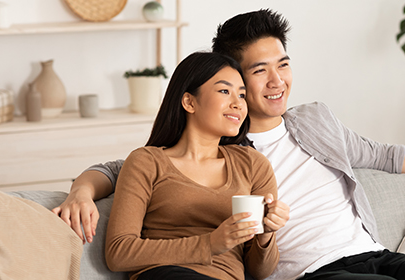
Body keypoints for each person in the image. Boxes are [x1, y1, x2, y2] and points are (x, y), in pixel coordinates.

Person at [53, 9, 405, 280]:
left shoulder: (315, 121)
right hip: (314, 274)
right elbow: (126, 167)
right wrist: (81, 189)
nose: (277, 81)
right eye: (257, 72)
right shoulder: (228, 147)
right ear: (230, 78)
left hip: (376, 255)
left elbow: (385, 155)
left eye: (284, 64)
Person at [102, 51, 288, 280]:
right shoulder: (147, 162)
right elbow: (118, 253)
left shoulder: (253, 165)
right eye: (224, 91)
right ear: (189, 101)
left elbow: (261, 271)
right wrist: (210, 243)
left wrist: (267, 235)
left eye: (241, 95)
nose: (238, 104)